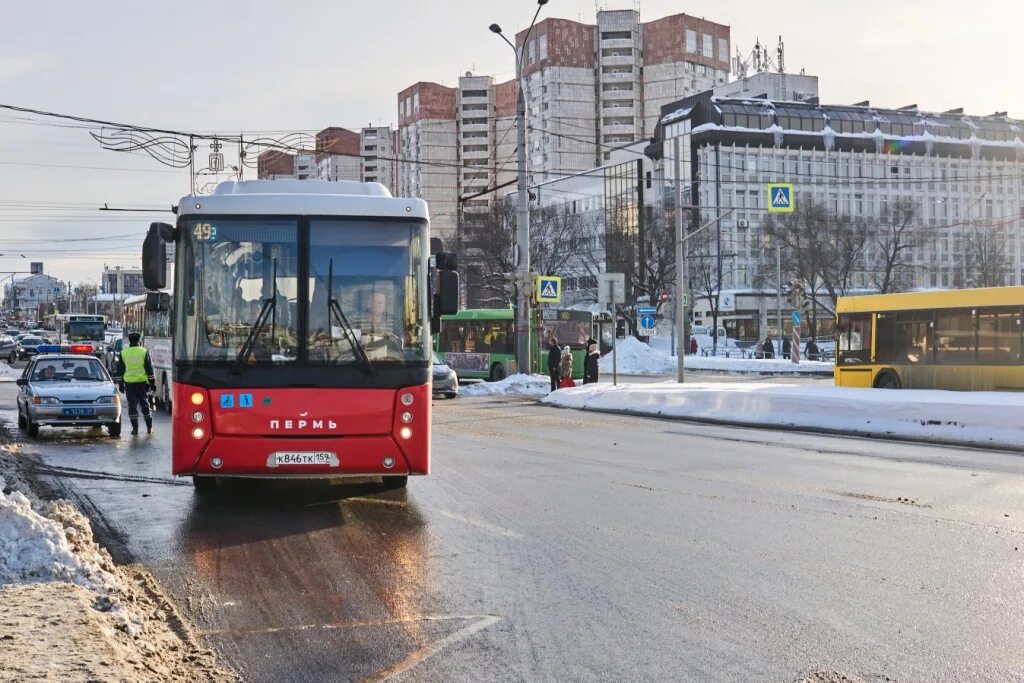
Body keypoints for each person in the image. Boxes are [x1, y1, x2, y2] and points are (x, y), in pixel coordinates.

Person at [115, 331, 155, 435]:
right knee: (145, 404)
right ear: (139, 340)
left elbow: (120, 370)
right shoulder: (144, 351)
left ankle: (135, 428)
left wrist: (120, 384)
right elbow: (149, 369)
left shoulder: (124, 353)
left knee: (132, 406)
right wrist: (152, 383)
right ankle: (149, 427)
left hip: (130, 384)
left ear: (129, 340)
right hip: (142, 383)